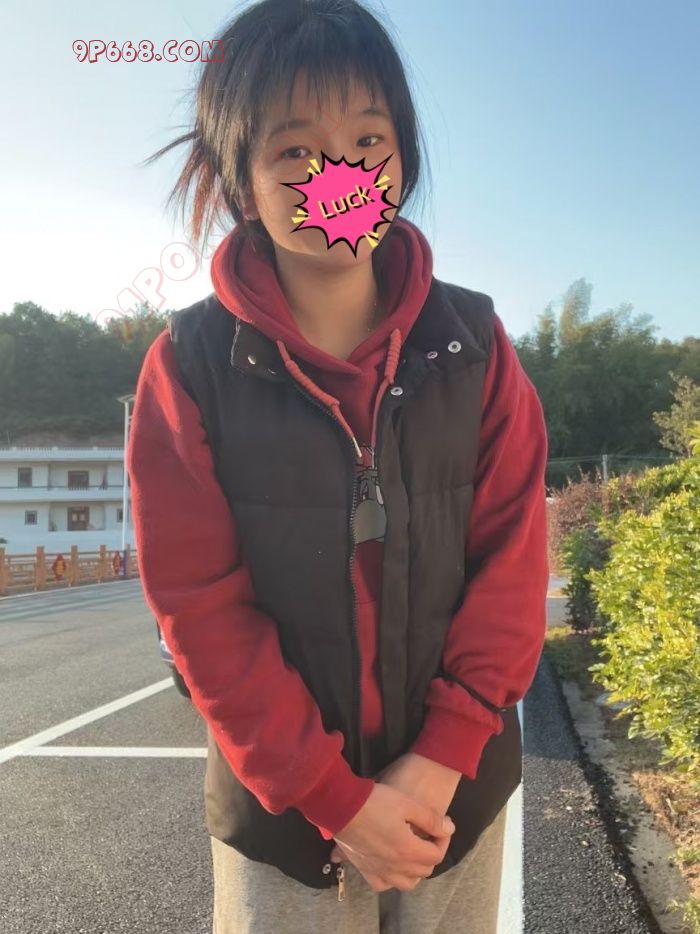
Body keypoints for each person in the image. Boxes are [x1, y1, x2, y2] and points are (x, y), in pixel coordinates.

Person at [127, 1, 550, 931]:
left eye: (368, 140)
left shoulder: (476, 347)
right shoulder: (188, 367)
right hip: (285, 826)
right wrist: (335, 798)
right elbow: (200, 609)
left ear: (402, 159)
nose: (340, 178)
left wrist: (440, 759)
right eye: (294, 151)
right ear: (240, 181)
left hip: (452, 807)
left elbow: (514, 568)